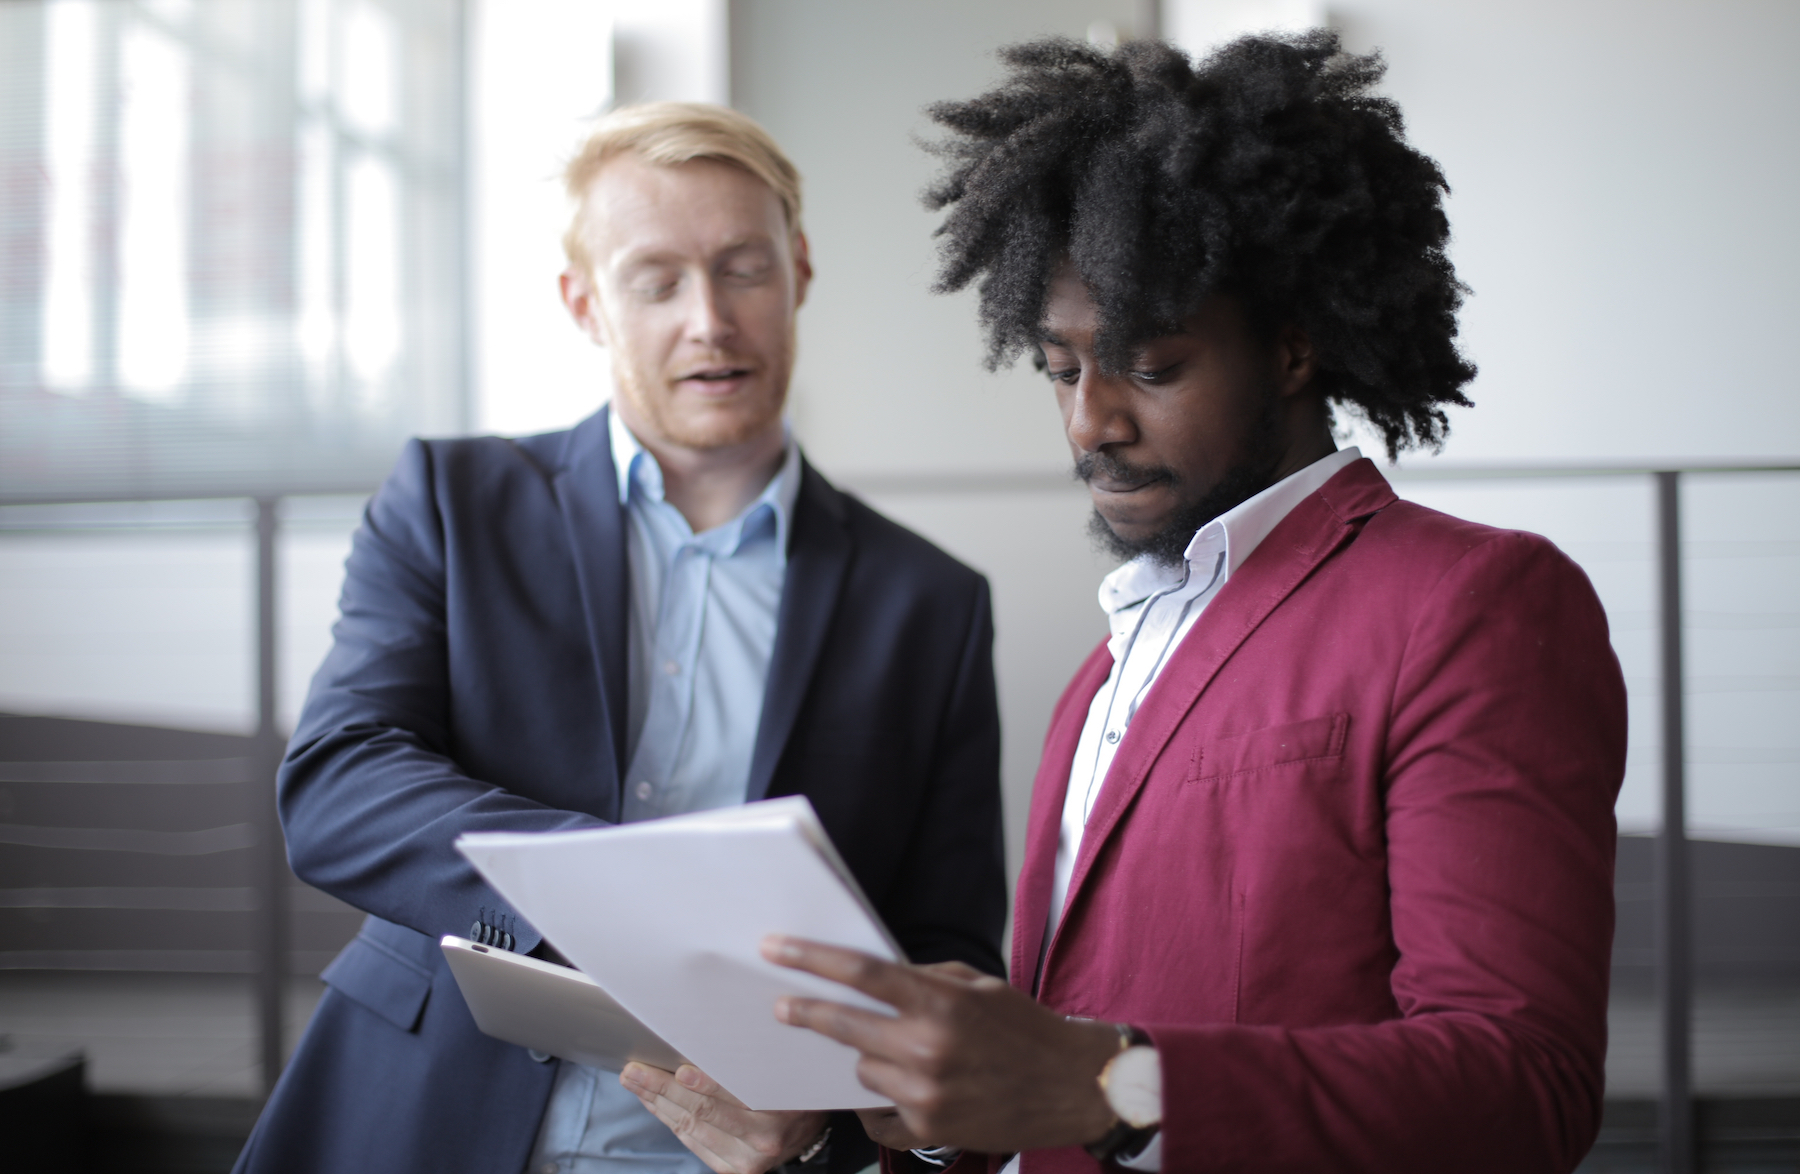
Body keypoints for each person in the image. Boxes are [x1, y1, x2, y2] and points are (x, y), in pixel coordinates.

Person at [676, 33, 1626, 1173]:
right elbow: (1053, 1083)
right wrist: (902, 1105)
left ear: (1290, 348)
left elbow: (1523, 1088)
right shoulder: (1104, 675)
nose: (1090, 423)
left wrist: (1109, 1083)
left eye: (1152, 367)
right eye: (1062, 370)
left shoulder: (1474, 603)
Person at [232, 103, 1006, 1174]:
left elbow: (945, 949)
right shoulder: (450, 504)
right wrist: (606, 893)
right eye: (656, 280)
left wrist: (831, 1115)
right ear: (585, 303)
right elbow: (336, 785)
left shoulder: (931, 602)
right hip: (412, 1122)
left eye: (744, 266)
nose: (710, 319)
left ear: (802, 272)